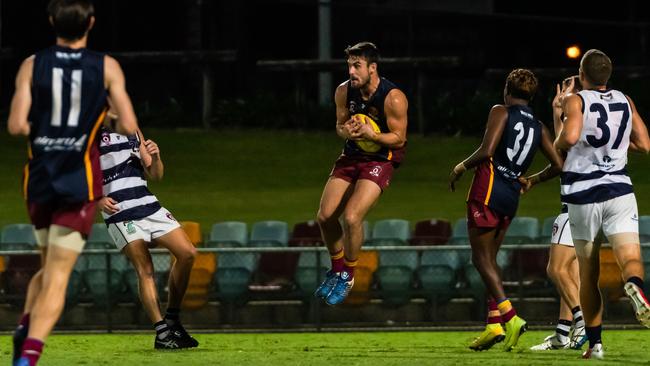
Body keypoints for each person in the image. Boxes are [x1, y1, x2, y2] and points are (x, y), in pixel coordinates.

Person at [7, 1, 139, 365]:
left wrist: (49, 131)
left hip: (39, 180)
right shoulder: (106, 66)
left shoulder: (32, 64)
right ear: (91, 23)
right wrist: (103, 120)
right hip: (77, 182)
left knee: (48, 267)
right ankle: (29, 357)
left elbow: (17, 126)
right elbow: (128, 126)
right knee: (59, 277)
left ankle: (24, 328)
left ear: (51, 22)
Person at [449, 68, 564, 352]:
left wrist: (461, 166)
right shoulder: (539, 125)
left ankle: (510, 317)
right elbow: (560, 165)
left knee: (480, 259)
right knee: (490, 260)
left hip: (488, 189)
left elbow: (487, 150)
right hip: (511, 196)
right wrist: (533, 180)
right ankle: (493, 324)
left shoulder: (501, 111)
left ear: (507, 90)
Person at [554, 49, 650, 360]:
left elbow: (568, 139)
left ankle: (595, 345)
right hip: (620, 190)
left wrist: (560, 116)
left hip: (584, 193)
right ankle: (634, 286)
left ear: (582, 75)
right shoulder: (625, 99)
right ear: (607, 75)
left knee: (589, 269)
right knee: (630, 257)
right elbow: (645, 144)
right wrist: (619, 147)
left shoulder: (576, 100)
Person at [315, 42, 408, 306]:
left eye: (357, 66)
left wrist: (373, 135)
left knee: (352, 216)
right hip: (352, 156)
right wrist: (349, 131)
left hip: (381, 158)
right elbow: (339, 125)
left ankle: (348, 275)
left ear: (372, 68)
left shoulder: (393, 97)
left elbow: (399, 139)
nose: (351, 71)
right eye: (349, 65)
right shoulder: (344, 91)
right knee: (324, 216)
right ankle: (336, 269)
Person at [97, 113, 198, 349]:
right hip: (119, 210)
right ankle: (162, 333)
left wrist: (156, 155)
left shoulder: (133, 129)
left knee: (188, 253)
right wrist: (95, 200)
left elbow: (156, 174)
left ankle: (172, 318)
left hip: (148, 204)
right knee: (145, 268)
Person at [530, 76, 587, 351]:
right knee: (570, 274)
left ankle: (583, 324)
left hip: (576, 205)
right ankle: (563, 335)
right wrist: (557, 113)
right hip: (596, 206)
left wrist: (560, 113)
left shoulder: (581, 121)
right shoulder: (596, 120)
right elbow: (564, 151)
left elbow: (560, 157)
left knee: (556, 268)